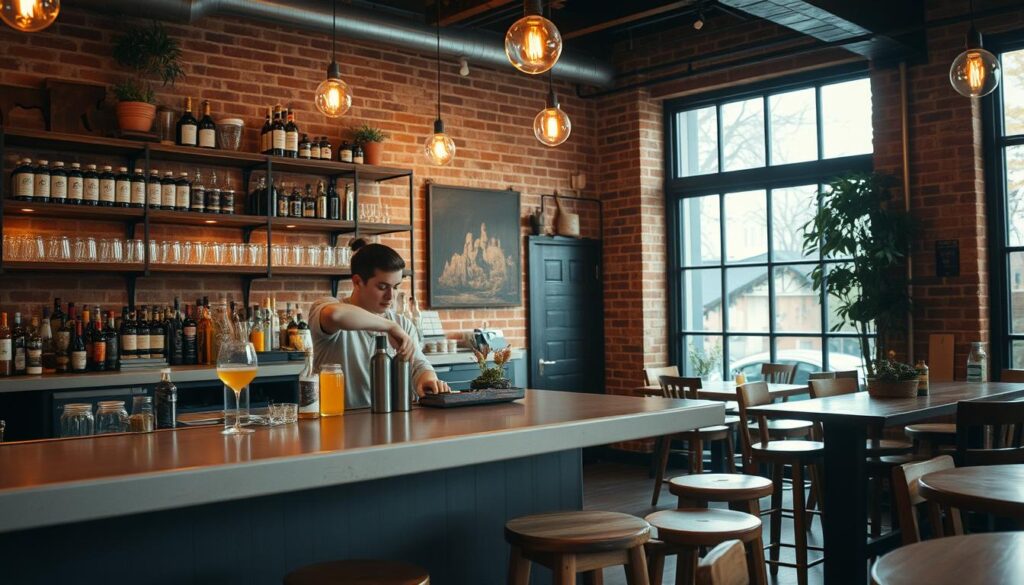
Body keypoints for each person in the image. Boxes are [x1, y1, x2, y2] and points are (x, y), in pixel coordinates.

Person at [308, 239, 450, 409]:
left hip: (393, 422)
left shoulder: (402, 323)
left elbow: (419, 365)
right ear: (357, 282)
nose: (391, 296)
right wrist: (390, 327)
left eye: (395, 287)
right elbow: (336, 315)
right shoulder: (326, 307)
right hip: (340, 421)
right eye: (383, 287)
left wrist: (428, 380)